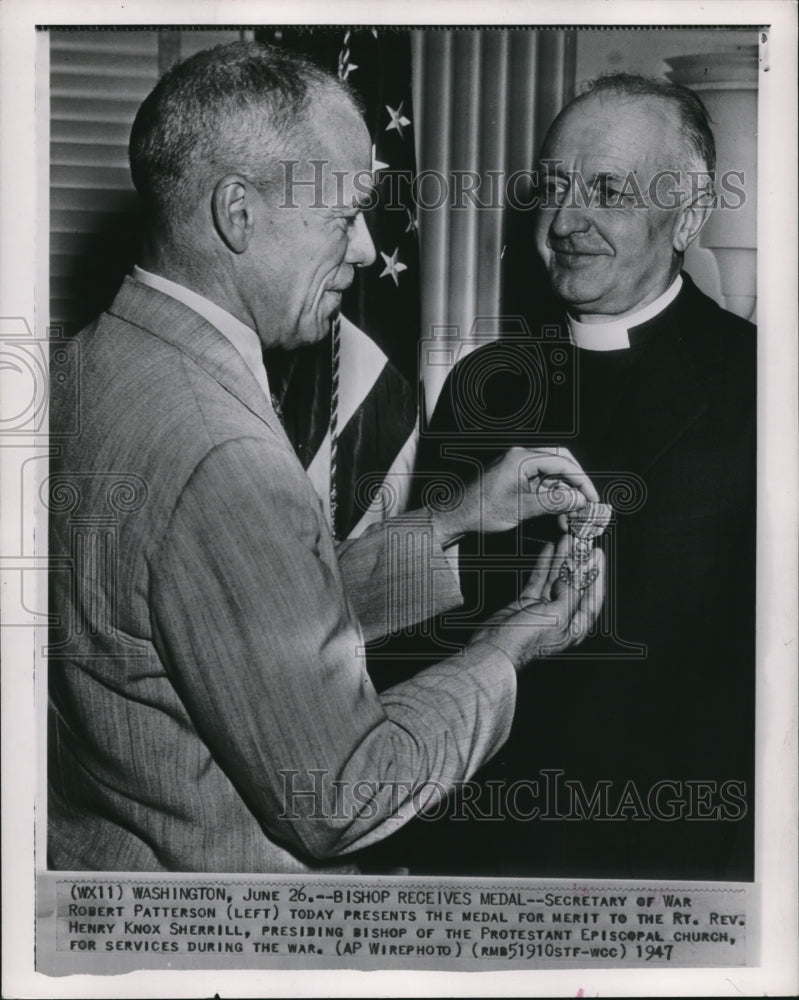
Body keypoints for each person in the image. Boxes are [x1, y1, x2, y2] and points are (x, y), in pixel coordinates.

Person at [46, 41, 603, 874]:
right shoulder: (219, 447)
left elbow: (235, 617)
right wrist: (507, 646)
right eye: (344, 216)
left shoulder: (90, 362)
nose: (367, 250)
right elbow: (342, 795)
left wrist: (454, 517)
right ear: (238, 213)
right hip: (228, 931)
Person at [415, 74, 755, 880]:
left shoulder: (766, 387)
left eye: (606, 191)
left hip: (679, 860)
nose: (566, 222)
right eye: (555, 188)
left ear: (689, 218)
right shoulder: (483, 383)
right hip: (481, 847)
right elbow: (418, 638)